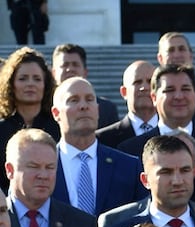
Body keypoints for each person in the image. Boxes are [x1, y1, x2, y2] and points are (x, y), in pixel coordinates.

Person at [119, 63, 195, 218]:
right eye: (169, 90)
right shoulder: (130, 150)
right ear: (154, 97)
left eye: (185, 89)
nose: (178, 96)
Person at [50, 77, 145, 217]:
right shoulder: (44, 168)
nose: (84, 106)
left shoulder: (129, 166)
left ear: (97, 110)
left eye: (89, 99)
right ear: (56, 113)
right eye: (74, 100)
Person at [5, 128, 99, 227]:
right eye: (33, 166)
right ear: (10, 170)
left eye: (49, 167)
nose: (43, 175)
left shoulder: (82, 225)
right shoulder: (3, 220)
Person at [0, 47, 60, 187]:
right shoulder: (1, 130)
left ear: (46, 85)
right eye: (23, 78)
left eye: (37, 79)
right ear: (11, 84)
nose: (30, 84)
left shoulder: (59, 127)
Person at [50, 45, 118, 128]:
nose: (70, 69)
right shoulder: (42, 108)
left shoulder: (106, 109)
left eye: (75, 65)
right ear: (53, 73)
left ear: (85, 72)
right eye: (65, 65)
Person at [96, 61, 157, 149]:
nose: (144, 87)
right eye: (137, 82)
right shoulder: (103, 139)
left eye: (150, 82)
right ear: (124, 92)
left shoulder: (172, 134)